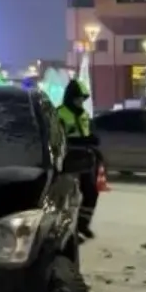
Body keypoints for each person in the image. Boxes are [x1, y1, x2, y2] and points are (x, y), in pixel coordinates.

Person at [56, 79, 99, 239]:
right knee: (69, 197)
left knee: (91, 193)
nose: (81, 102)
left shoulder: (85, 115)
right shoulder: (59, 113)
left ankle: (82, 224)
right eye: (78, 98)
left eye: (82, 99)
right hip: (68, 160)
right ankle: (69, 231)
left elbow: (87, 133)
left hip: (86, 159)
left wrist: (92, 139)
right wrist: (80, 141)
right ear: (70, 97)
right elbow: (57, 139)